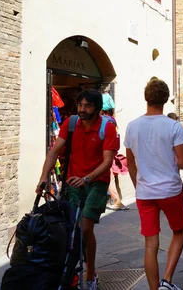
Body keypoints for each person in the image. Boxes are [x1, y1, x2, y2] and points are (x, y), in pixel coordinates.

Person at [36, 89, 118, 290]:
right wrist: (43, 177)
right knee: (73, 229)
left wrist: (87, 178)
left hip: (96, 183)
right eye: (80, 105)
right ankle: (70, 272)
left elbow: (108, 161)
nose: (82, 109)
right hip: (73, 182)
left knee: (85, 228)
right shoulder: (70, 124)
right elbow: (54, 151)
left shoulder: (106, 127)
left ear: (97, 109)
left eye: (87, 106)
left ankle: (90, 275)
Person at [124, 78, 183, 290]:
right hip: (170, 189)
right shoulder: (173, 127)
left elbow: (130, 163)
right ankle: (167, 280)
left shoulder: (132, 127)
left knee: (150, 244)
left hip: (144, 193)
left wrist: (138, 185)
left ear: (146, 98)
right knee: (179, 231)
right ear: (165, 100)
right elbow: (182, 162)